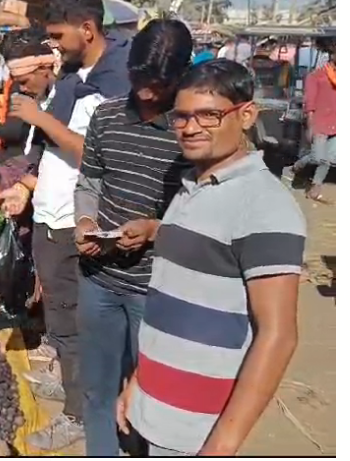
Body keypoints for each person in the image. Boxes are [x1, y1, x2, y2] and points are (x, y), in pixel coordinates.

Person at [117, 59, 306, 456]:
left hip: (199, 430)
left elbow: (278, 334)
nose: (190, 127)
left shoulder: (264, 206)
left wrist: (224, 442)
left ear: (248, 115)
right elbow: (170, 308)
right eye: (181, 116)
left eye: (209, 115)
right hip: (152, 408)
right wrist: (140, 382)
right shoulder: (191, 186)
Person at [0, 0, 132, 451]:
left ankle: (78, 413)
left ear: (86, 29)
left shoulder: (113, 83)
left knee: (77, 323)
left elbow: (99, 155)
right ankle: (74, 389)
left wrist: (40, 118)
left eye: (57, 36)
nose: (53, 45)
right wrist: (26, 189)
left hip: (80, 221)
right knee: (60, 317)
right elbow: (53, 153)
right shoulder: (76, 75)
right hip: (53, 215)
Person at [73, 19, 194, 457]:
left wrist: (156, 231)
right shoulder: (106, 116)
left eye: (158, 84)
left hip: (157, 291)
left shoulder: (191, 133)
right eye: (139, 79)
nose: (145, 92)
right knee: (98, 391)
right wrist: (86, 224)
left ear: (182, 74)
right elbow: (90, 182)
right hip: (98, 281)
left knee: (153, 399)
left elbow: (209, 213)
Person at [291, 45, 336, 203]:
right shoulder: (316, 76)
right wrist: (311, 125)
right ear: (332, 55)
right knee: (319, 158)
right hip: (320, 122)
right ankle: (298, 165)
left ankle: (315, 187)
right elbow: (310, 104)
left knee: (329, 158)